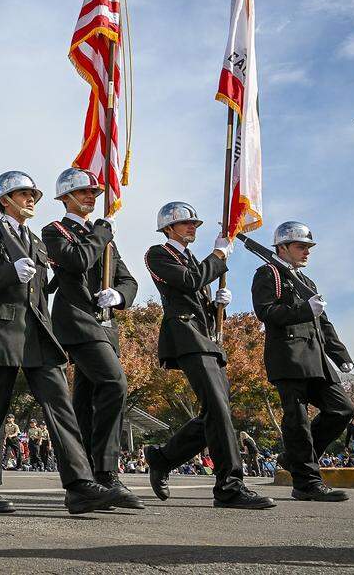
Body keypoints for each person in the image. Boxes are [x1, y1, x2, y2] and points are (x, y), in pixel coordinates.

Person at [0, 170, 127, 515]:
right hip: (2, 330)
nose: (31, 200)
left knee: (60, 405)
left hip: (37, 331)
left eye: (33, 195)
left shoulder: (36, 240)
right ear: (4, 200)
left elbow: (41, 292)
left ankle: (79, 486)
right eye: (24, 195)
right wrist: (9, 272)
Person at [143, 201, 275, 509]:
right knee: (217, 409)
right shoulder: (158, 254)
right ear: (168, 228)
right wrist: (218, 256)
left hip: (207, 339)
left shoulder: (190, 258)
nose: (193, 228)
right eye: (187, 223)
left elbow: (197, 291)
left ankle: (163, 458)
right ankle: (229, 486)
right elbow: (189, 282)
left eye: (196, 224)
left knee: (216, 414)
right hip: (187, 338)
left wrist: (219, 306)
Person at [41, 168, 141, 505]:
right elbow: (76, 260)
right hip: (77, 322)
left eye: (94, 193)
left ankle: (86, 486)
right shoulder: (54, 231)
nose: (91, 197)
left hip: (105, 327)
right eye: (83, 192)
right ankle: (107, 472)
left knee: (83, 404)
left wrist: (119, 295)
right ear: (65, 198)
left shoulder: (104, 238)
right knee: (115, 384)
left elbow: (128, 279)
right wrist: (101, 233)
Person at [251, 221, 354, 502]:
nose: (307, 252)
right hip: (289, 357)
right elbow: (266, 312)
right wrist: (302, 309)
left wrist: (339, 354)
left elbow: (323, 322)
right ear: (282, 248)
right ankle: (306, 483)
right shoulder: (268, 273)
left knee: (341, 410)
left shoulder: (307, 282)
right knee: (297, 421)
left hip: (317, 358)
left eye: (308, 247)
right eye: (301, 246)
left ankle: (294, 458)